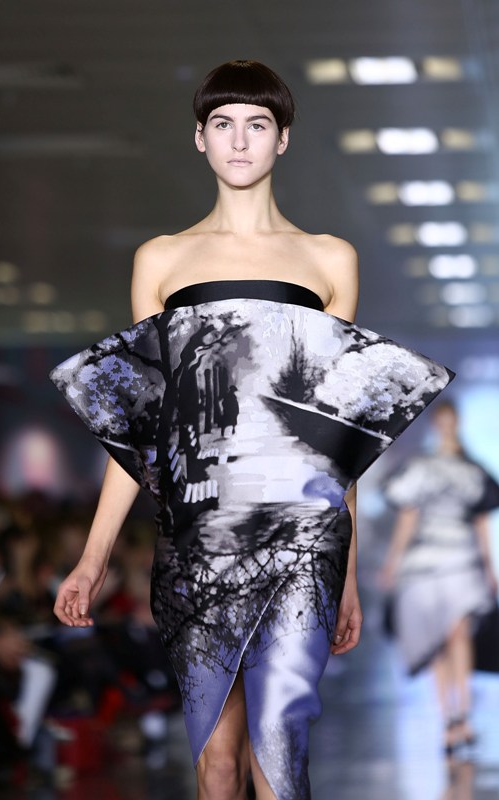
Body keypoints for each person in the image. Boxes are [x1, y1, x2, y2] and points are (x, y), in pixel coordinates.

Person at [51, 61, 453, 800]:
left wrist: (348, 574)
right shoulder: (161, 259)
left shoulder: (329, 258)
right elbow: (142, 428)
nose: (240, 141)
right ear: (200, 138)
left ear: (283, 139)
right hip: (195, 535)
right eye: (224, 124)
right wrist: (93, 556)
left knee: (279, 749)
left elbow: (339, 437)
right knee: (217, 762)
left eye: (257, 124)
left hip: (304, 536)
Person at [381, 400, 499, 758]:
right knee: (435, 642)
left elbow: (481, 522)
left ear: (457, 423)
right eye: (442, 421)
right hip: (423, 564)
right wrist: (393, 563)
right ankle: (448, 719)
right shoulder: (421, 468)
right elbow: (407, 519)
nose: (446, 426)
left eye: (451, 420)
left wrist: (489, 568)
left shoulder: (472, 470)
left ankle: (463, 713)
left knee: (457, 634)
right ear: (436, 424)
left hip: (462, 560)